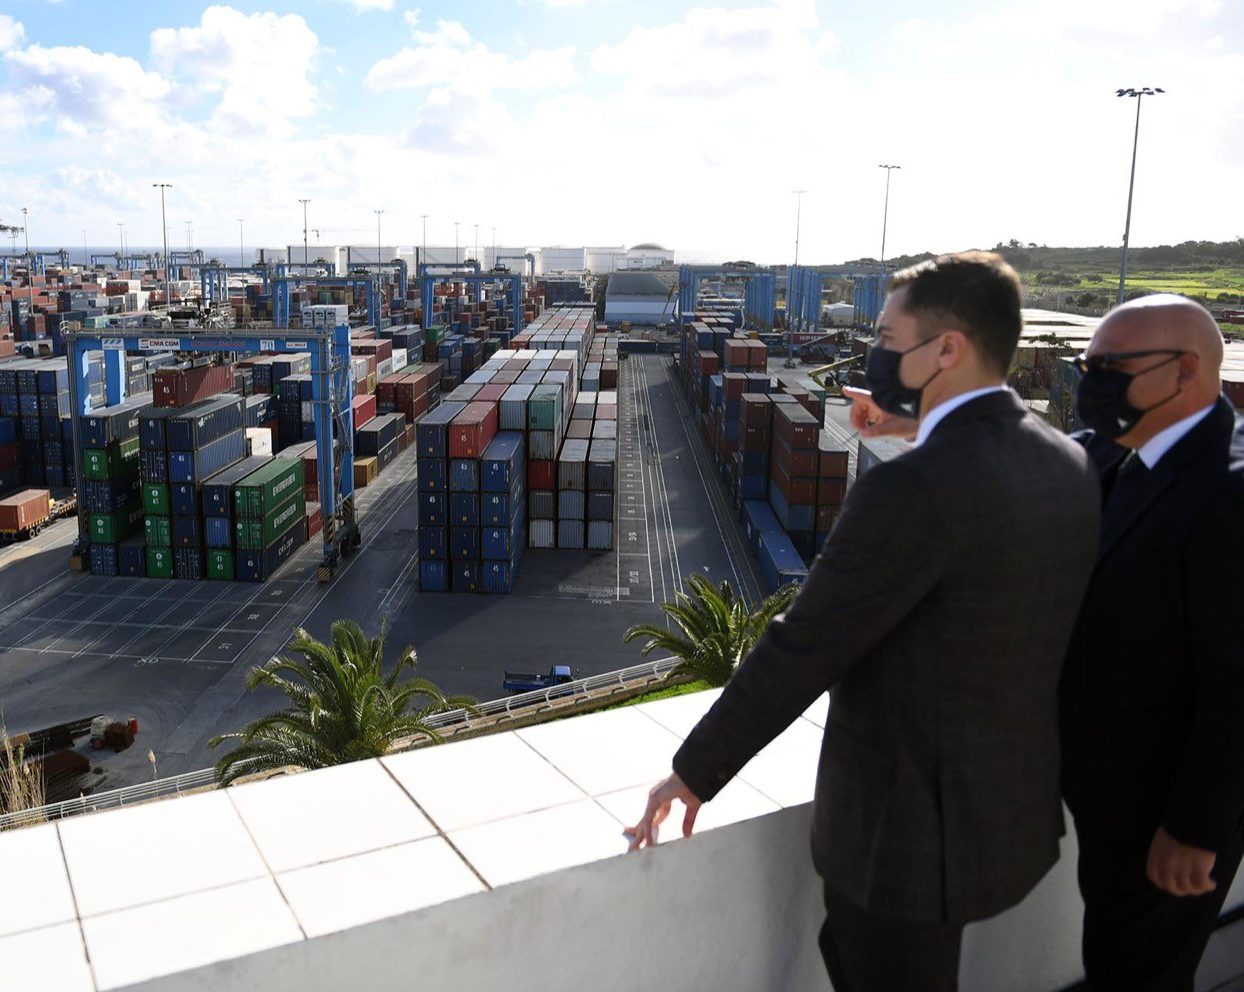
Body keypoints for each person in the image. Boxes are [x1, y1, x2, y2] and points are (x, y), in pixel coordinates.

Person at [626, 251, 1102, 992]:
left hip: (906, 842)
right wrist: (917, 426)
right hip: (1007, 814)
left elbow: (803, 647)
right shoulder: (1064, 461)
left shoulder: (913, 490)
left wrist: (694, 770)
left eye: (885, 336)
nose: (871, 350)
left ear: (946, 348)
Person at [1059, 294, 1244, 992]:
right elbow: (1053, 450)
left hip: (1165, 814)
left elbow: (1237, 684)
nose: (1092, 384)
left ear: (1185, 372)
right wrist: (918, 420)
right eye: (1089, 365)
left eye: (1113, 367)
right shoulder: (1130, 447)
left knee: (1136, 976)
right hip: (1110, 797)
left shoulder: (1230, 494)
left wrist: (1196, 829)